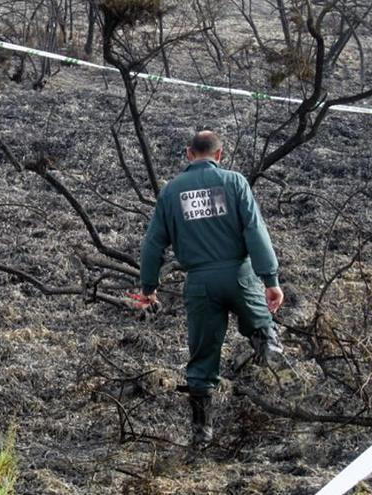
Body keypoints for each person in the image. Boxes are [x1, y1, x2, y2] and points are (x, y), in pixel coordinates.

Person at [134, 130, 285, 446]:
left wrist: (149, 286)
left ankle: (202, 433)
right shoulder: (234, 183)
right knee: (262, 328)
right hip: (239, 276)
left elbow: (152, 245)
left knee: (202, 361)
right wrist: (270, 280)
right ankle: (270, 352)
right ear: (220, 155)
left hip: (200, 284)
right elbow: (255, 231)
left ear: (189, 154)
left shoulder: (172, 192)